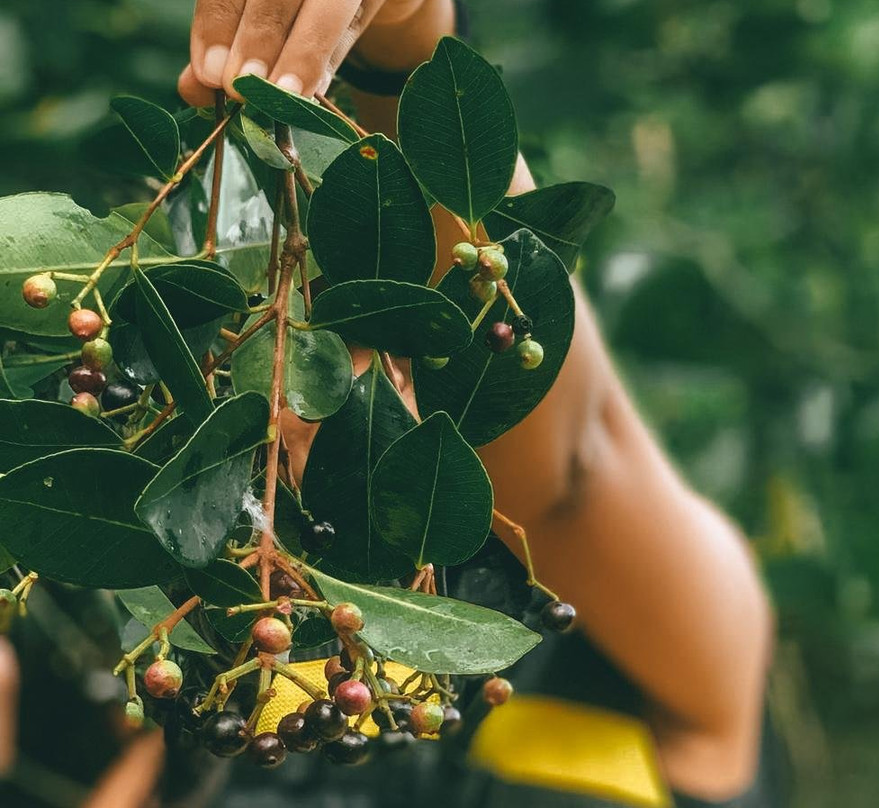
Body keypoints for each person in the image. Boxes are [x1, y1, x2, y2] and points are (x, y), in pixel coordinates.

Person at [0, 2, 774, 806]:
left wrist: (404, 48)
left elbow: (574, 469)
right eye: (281, 347)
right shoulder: (212, 730)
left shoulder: (570, 628)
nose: (313, 391)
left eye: (357, 342)